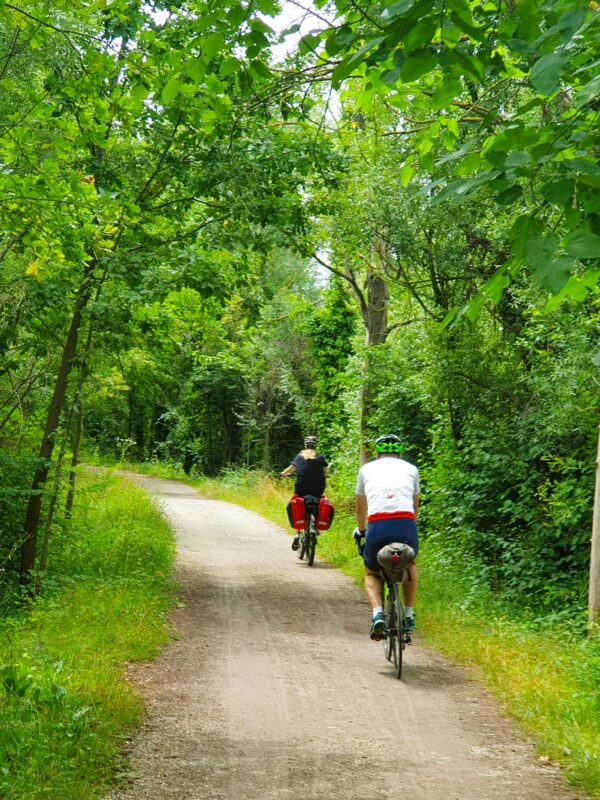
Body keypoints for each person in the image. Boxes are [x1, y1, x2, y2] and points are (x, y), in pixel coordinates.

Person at [354, 434, 420, 641]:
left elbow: (360, 507)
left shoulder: (366, 470)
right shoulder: (411, 469)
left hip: (377, 526)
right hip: (405, 524)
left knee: (371, 572)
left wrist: (362, 531)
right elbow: (414, 506)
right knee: (410, 565)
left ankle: (378, 614)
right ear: (399, 454)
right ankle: (408, 615)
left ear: (376, 454)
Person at [281, 434, 328, 550]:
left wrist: (283, 474)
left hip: (301, 489)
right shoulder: (320, 457)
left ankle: (297, 533)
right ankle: (315, 527)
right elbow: (325, 473)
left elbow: (289, 470)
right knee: (317, 502)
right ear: (316, 446)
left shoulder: (300, 456)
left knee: (299, 504)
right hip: (317, 490)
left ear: (305, 445)